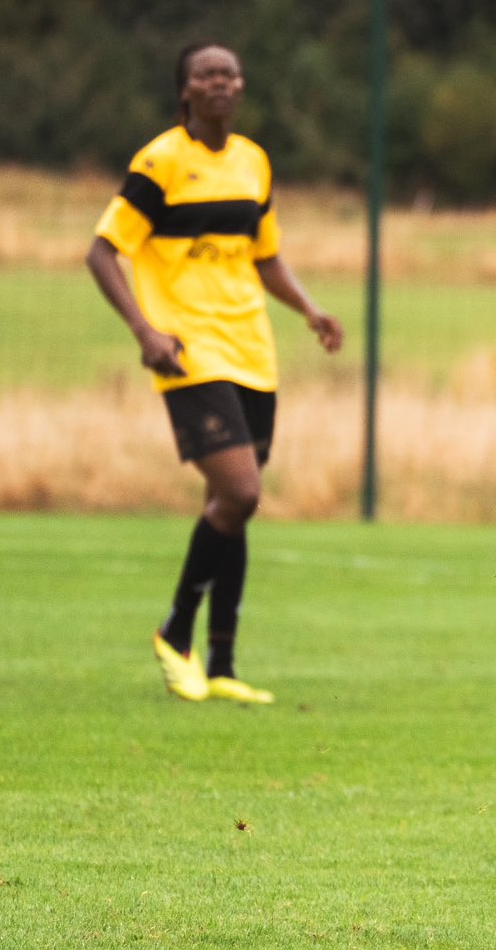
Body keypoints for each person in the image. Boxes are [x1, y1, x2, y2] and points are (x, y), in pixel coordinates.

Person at [86, 42, 343, 706]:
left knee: (234, 508)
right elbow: (102, 251)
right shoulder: (161, 160)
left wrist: (311, 310)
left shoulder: (253, 161)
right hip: (188, 352)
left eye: (229, 72)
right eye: (207, 73)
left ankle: (222, 664)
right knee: (241, 492)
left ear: (241, 86)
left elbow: (265, 257)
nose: (220, 82)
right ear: (186, 91)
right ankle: (176, 633)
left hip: (252, 351)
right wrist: (146, 331)